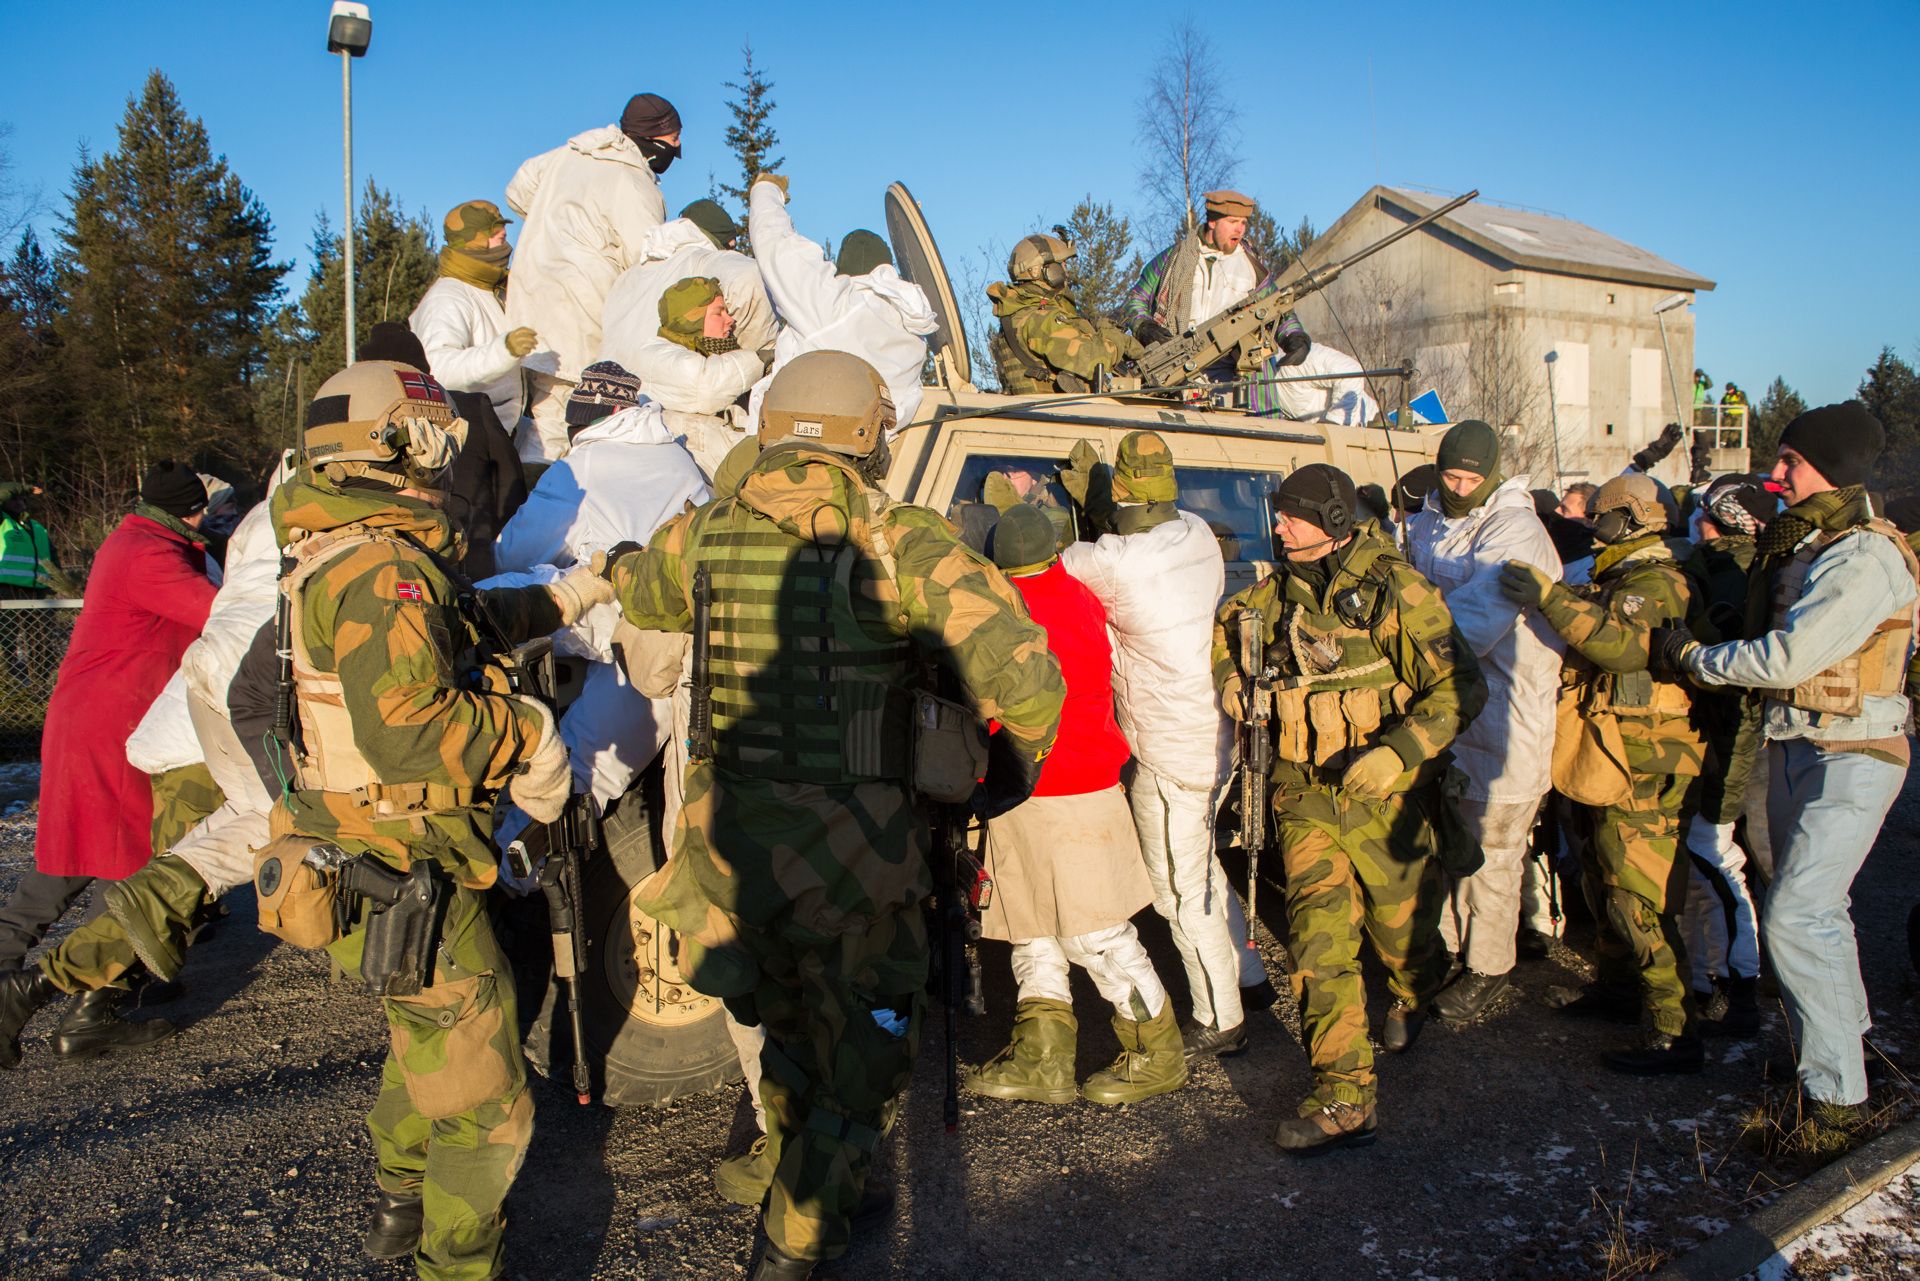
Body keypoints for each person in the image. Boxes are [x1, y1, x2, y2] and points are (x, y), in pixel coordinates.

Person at [604, 350, 1064, 1279]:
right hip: (861, 858)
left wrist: (617, 562)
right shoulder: (906, 540)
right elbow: (1030, 678)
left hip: (732, 846)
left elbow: (640, 588)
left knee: (785, 1024)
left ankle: (804, 1166)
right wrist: (997, 782)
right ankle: (793, 1242)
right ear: (870, 435)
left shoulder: (704, 531)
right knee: (863, 1051)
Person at [1660, 403, 1918, 1133]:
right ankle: (1838, 1054)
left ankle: (1839, 1103)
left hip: (1854, 751)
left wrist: (1696, 659)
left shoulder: (1863, 555)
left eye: (1790, 464)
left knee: (1800, 911)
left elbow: (1791, 656)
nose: (1776, 477)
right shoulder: (1812, 543)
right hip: (1802, 742)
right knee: (1816, 913)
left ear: (1830, 468)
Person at [1216, 464, 1485, 1153]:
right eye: (1279, 514)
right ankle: (1344, 1095)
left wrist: (1397, 753)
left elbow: (1460, 687)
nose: (1278, 526)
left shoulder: (1396, 589)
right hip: (1304, 793)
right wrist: (1235, 688)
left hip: (1385, 800)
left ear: (1332, 522)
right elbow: (1227, 641)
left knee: (1401, 935)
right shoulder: (1272, 597)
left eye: (1291, 516)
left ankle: (1415, 987)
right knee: (1319, 941)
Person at [1056, 431, 1266, 1060]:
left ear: (1119, 491)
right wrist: (1113, 504)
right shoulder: (1197, 533)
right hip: (1215, 732)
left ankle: (1221, 1020)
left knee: (1179, 890)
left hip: (1170, 750)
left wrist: (1091, 504)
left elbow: (1056, 566)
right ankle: (1248, 979)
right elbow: (1122, 542)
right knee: (1200, 864)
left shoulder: (1113, 560)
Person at [966, 504, 1185, 1108]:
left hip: (1055, 787)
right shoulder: (1080, 595)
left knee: (1092, 932)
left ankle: (1156, 1052)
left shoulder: (1012, 612)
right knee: (1029, 923)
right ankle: (1043, 1058)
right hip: (1051, 787)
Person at [0, 462, 215, 1055]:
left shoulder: (137, 541)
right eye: (201, 510)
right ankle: (98, 1000)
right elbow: (214, 614)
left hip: (104, 714)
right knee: (123, 854)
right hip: (117, 719)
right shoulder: (149, 553)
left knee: (78, 850)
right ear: (187, 510)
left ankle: (92, 975)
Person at [1500, 473, 1707, 1075]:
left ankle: (1675, 1028)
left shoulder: (1658, 583)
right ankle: (1620, 989)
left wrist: (1550, 597)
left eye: (1602, 515)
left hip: (1647, 763)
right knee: (1599, 875)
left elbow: (1621, 648)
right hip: (1608, 751)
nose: (1593, 523)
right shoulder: (1613, 577)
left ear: (1629, 518)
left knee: (1637, 895)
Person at [1403, 422, 1564, 1023]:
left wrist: (1398, 649)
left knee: (1492, 849)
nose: (1461, 487)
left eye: (1473, 478)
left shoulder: (1515, 530)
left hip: (1504, 714)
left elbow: (1474, 619)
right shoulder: (1425, 516)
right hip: (1447, 709)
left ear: (1493, 475)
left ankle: (1488, 966)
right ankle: (1444, 950)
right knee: (1445, 840)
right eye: (1452, 475)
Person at [505, 92, 682, 462]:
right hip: (582, 310)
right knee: (573, 418)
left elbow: (518, 188)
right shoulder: (631, 181)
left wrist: (554, 230)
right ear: (654, 136)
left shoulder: (570, 154)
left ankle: (534, 497)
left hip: (531, 298)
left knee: (543, 412)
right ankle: (559, 500)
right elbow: (648, 257)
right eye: (674, 139)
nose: (678, 148)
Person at [1676, 473, 1777, 1038]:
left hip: (1732, 738)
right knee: (1709, 863)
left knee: (1718, 858)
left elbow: (1730, 670)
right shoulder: (1735, 567)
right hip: (1720, 737)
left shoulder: (1729, 575)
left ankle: (1740, 986)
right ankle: (1711, 979)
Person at [745, 173, 938, 431]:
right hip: (872, 459)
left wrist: (767, 190)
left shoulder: (836, 308)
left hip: (804, 448)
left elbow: (775, 245)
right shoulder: (912, 338)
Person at [355, 322, 528, 579]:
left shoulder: (355, 424)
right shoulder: (471, 407)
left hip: (383, 571)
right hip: (472, 570)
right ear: (424, 369)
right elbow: (511, 488)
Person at [1122, 189, 1308, 388]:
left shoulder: (1252, 267)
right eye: (1232, 222)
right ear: (1212, 222)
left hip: (1237, 379)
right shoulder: (1173, 259)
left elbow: (1276, 307)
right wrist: (1144, 327)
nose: (1240, 230)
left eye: (1243, 223)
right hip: (1177, 372)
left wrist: (1294, 337)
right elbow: (1135, 300)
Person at [408, 200, 543, 447]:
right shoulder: (448, 297)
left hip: (504, 434)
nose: (503, 233)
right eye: (492, 230)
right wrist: (504, 351)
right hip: (466, 442)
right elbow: (437, 369)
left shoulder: (493, 290)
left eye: (501, 227)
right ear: (471, 241)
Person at [600, 200, 777, 371]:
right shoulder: (705, 261)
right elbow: (749, 276)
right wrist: (754, 361)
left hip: (609, 389)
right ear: (722, 243)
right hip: (675, 389)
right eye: (731, 247)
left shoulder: (629, 276)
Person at [620, 276, 767, 474]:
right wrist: (760, 359)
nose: (730, 320)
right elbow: (707, 388)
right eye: (718, 313)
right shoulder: (655, 355)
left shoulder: (708, 356)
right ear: (692, 320)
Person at [986, 234, 1141, 393]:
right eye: (1062, 264)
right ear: (1040, 270)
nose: (1066, 270)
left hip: (1038, 411)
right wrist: (1114, 336)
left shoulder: (1019, 313)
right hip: (1055, 412)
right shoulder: (1040, 319)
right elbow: (1093, 357)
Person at [0, 483, 68, 599]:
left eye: (22, 498)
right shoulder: (3, 521)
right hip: (6, 591)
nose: (19, 502)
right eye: (13, 499)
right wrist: (23, 488)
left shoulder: (37, 527)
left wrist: (58, 584)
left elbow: (53, 558)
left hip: (40, 592)